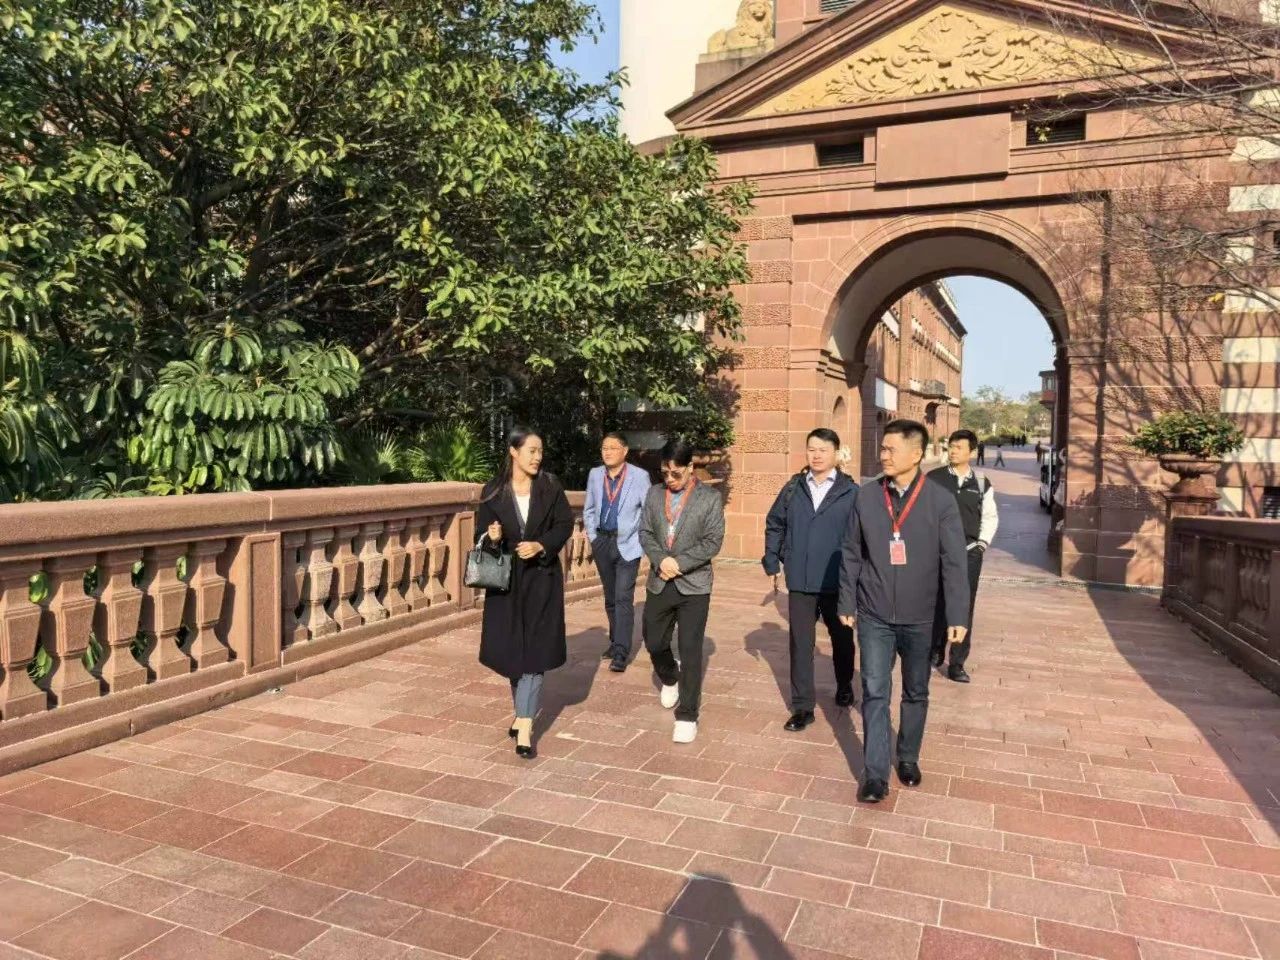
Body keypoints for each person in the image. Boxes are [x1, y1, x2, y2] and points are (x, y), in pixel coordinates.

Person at [838, 419, 969, 803]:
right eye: (883, 448)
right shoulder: (866, 496)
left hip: (922, 616)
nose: (883, 455)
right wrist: (846, 600)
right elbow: (851, 552)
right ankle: (875, 774)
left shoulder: (940, 501)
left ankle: (908, 757)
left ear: (916, 454)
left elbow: (954, 562)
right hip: (874, 613)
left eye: (890, 449)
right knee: (875, 691)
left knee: (916, 691)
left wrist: (957, 616)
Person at [477, 426, 575, 760]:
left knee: (535, 649)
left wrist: (540, 545)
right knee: (512, 651)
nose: (537, 457)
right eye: (532, 450)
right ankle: (523, 711)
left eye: (540, 451)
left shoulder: (550, 486)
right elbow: (481, 536)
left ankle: (525, 724)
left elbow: (564, 524)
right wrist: (493, 538)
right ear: (513, 451)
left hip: (542, 579)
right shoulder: (493, 491)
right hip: (506, 583)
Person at [762, 428, 859, 731]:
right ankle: (803, 707)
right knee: (800, 644)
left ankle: (844, 684)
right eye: (812, 449)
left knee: (842, 639)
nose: (816, 455)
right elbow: (775, 523)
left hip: (836, 581)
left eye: (823, 450)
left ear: (836, 454)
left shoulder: (851, 492)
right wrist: (772, 558)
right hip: (801, 580)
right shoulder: (793, 488)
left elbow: (861, 538)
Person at [640, 438, 725, 744]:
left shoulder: (709, 498)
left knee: (690, 649)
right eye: (665, 473)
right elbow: (645, 532)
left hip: (694, 585)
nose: (670, 479)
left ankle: (687, 714)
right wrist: (660, 559)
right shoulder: (654, 494)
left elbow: (713, 541)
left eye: (676, 473)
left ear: (690, 468)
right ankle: (669, 676)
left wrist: (679, 562)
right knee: (653, 640)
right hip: (661, 579)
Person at [927, 430, 999, 683]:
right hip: (936, 553)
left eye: (959, 447)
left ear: (972, 452)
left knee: (964, 607)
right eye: (952, 446)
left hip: (968, 554)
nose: (953, 451)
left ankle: (957, 663)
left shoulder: (981, 483)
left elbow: (989, 516)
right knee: (935, 602)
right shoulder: (933, 479)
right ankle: (934, 650)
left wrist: (981, 544)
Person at [583, 432, 650, 673]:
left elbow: (648, 511)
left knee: (623, 597)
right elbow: (589, 509)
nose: (607, 452)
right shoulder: (595, 474)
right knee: (610, 597)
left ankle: (621, 652)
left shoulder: (639, 476)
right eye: (604, 448)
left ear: (625, 450)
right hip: (602, 542)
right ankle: (614, 642)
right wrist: (593, 537)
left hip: (628, 545)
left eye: (613, 447)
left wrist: (641, 542)